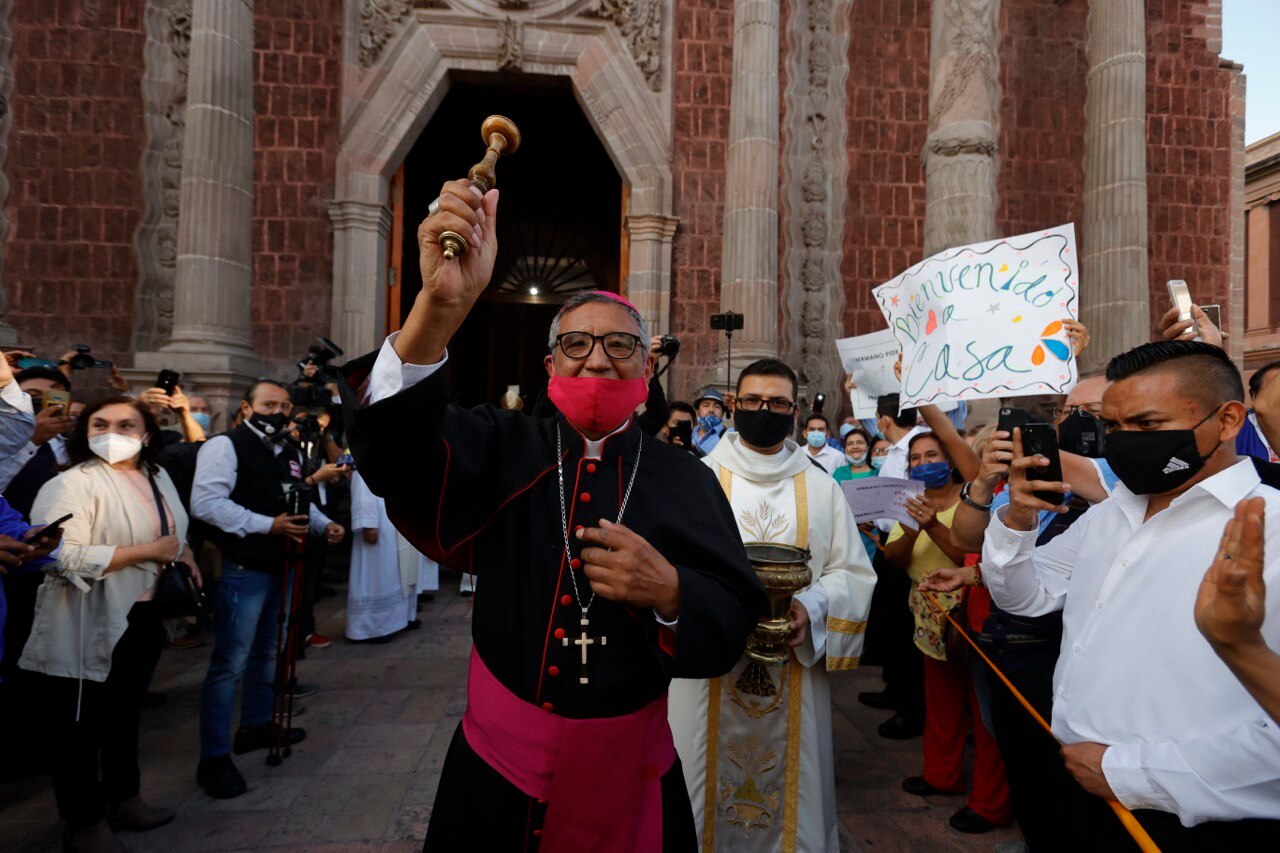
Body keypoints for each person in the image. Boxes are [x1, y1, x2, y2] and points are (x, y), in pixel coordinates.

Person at [345, 179, 766, 850]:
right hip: (498, 773)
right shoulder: (500, 445)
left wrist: (673, 594)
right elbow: (392, 456)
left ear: (647, 366)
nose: (597, 357)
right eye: (576, 344)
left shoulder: (688, 479)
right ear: (548, 364)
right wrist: (438, 309)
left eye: (620, 345)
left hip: (633, 775)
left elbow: (735, 615)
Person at [984, 340, 1280, 846]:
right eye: (1114, 428)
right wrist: (1017, 520)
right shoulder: (1110, 512)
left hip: (1190, 821)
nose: (1124, 443)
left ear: (1229, 421)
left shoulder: (1271, 528)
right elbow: (1025, 597)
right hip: (1075, 789)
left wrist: (1131, 772)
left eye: (1147, 426)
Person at [669, 359, 876, 851]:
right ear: (735, 406)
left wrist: (811, 607)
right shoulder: (697, 479)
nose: (766, 411)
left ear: (796, 411)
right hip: (709, 671)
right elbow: (668, 567)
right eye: (755, 402)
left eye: (779, 403)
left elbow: (851, 571)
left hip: (792, 664)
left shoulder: (822, 486)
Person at [21, 397, 200, 850]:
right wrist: (149, 553)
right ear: (85, 431)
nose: (112, 432)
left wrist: (185, 553)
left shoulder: (156, 476)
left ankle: (126, 798)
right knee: (81, 724)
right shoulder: (71, 484)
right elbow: (60, 557)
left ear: (146, 432)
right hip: (85, 618)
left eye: (126, 423)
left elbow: (173, 530)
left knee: (125, 714)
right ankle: (85, 822)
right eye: (100, 423)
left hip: (141, 618)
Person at [192, 379, 345, 800]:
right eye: (268, 403)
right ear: (246, 407)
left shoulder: (290, 452)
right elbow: (207, 503)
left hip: (284, 565)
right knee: (230, 662)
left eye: (283, 404)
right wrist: (267, 525)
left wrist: (322, 524)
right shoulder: (224, 447)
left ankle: (257, 725)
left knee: (268, 651)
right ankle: (215, 757)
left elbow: (298, 500)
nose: (277, 411)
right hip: (246, 566)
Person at [884, 432, 1011, 833]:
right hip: (928, 613)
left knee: (984, 710)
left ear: (952, 460)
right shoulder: (912, 502)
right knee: (940, 700)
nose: (923, 464)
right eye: (916, 459)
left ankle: (989, 802)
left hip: (972, 613)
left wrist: (931, 526)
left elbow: (967, 555)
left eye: (932, 455)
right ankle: (942, 775)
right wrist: (911, 527)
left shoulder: (977, 500)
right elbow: (893, 557)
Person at [347, 469, 417, 642]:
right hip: (377, 521)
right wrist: (368, 522)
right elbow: (362, 480)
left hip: (392, 521)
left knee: (392, 573)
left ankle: (394, 622)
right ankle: (371, 627)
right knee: (375, 574)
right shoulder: (365, 457)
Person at [0, 366, 75, 513]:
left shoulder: (77, 443)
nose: (44, 402)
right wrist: (32, 440)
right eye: (32, 396)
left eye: (55, 396)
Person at [691, 387, 728, 454]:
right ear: (697, 412)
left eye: (716, 406)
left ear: (722, 413)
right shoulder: (690, 433)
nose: (711, 409)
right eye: (706, 405)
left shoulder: (729, 436)